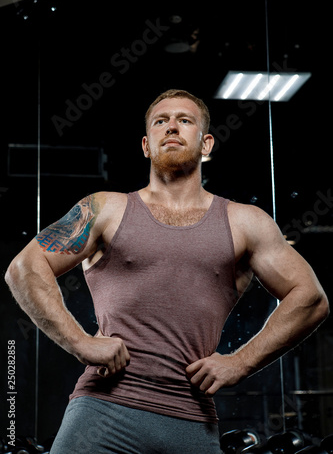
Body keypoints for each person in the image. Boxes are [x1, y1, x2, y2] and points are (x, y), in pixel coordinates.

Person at [5, 89, 329, 453]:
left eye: (184, 120)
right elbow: (25, 267)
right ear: (146, 145)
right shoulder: (105, 208)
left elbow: (311, 299)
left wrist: (241, 362)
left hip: (191, 420)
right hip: (101, 414)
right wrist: (80, 342)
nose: (171, 127)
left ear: (206, 144)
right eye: (161, 121)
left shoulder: (244, 223)